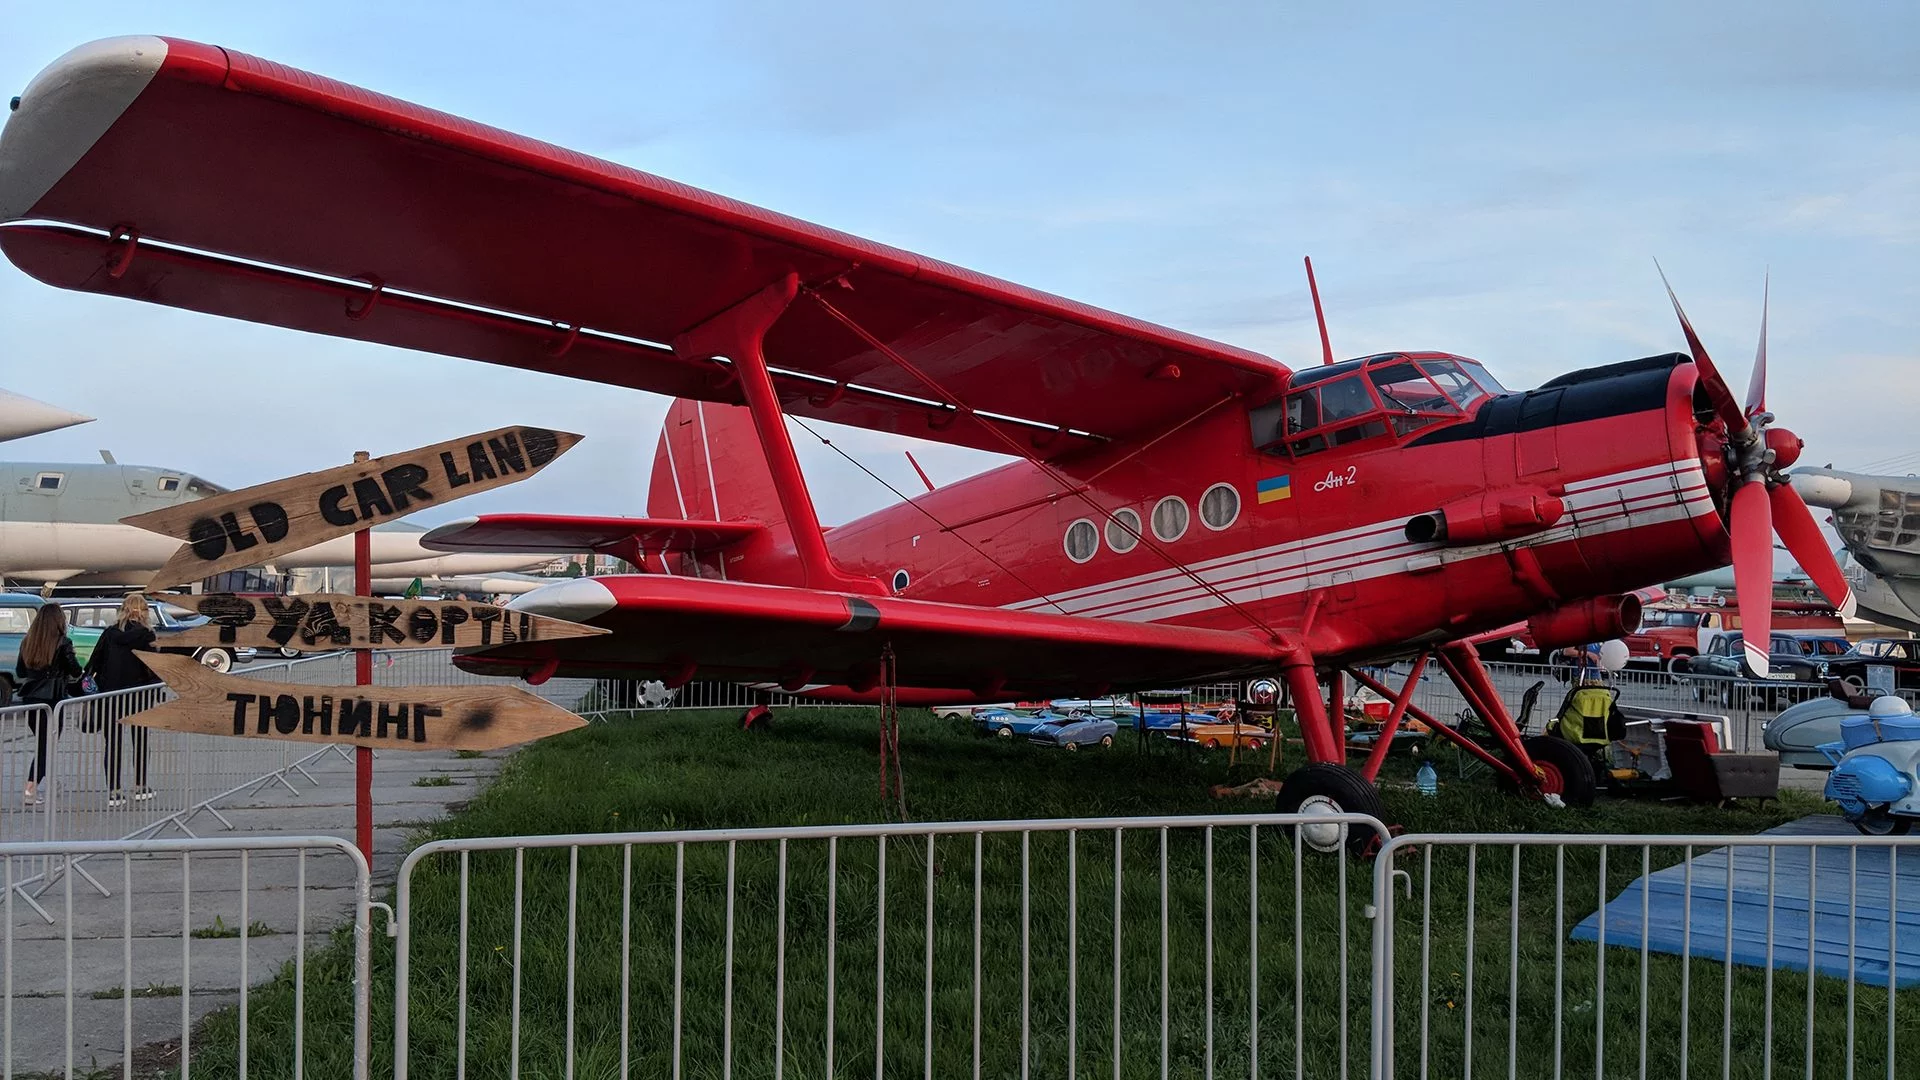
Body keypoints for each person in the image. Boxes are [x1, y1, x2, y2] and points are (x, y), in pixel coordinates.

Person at [84, 594, 161, 806]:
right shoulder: (147, 635)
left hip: (111, 696)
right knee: (141, 741)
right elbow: (154, 667)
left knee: (113, 743)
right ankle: (140, 786)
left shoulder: (110, 633)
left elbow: (94, 664)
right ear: (144, 611)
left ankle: (114, 791)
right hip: (139, 696)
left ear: (123, 610)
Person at [14, 603, 80, 806]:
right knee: (47, 746)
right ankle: (30, 787)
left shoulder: (28, 642)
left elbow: (21, 672)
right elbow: (76, 671)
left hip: (31, 699)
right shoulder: (63, 643)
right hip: (52, 700)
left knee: (44, 743)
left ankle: (45, 781)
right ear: (58, 621)